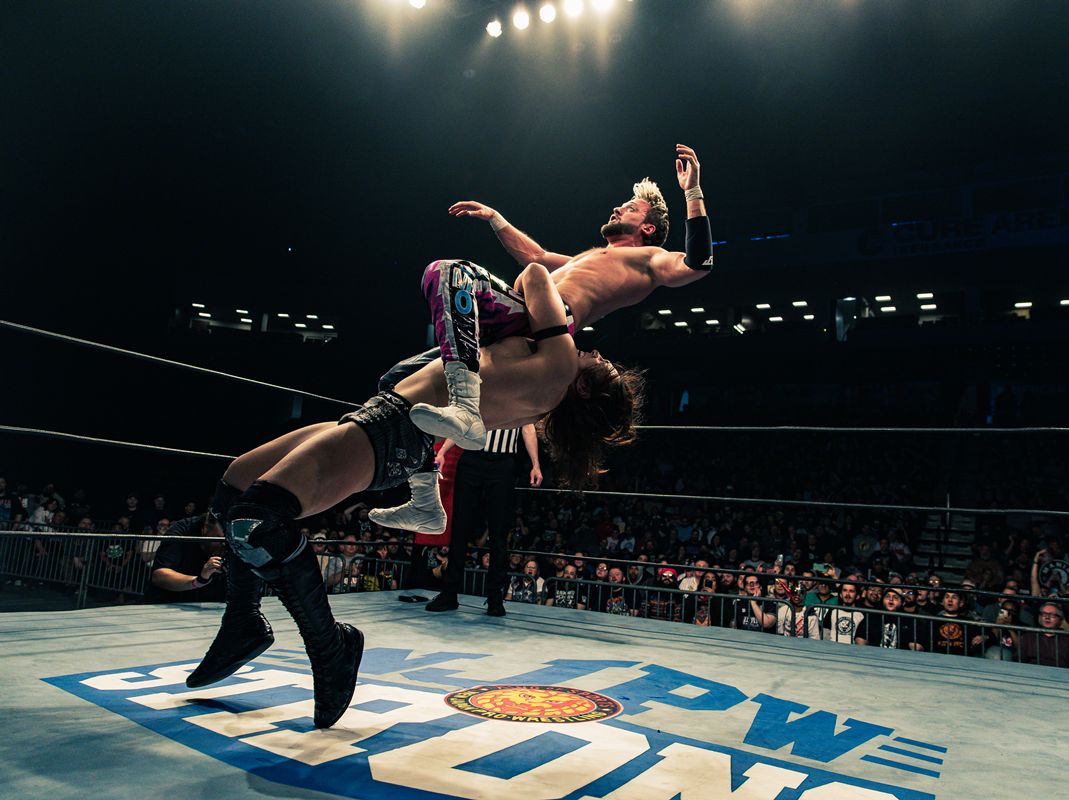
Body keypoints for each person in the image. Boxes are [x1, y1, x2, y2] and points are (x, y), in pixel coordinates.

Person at [186, 264, 643, 729]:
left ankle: (330, 646)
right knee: (235, 484)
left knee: (257, 518)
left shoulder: (559, 363)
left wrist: (536, 312)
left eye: (600, 363)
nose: (596, 351)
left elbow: (535, 273)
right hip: (391, 422)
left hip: (393, 430)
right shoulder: (541, 393)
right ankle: (241, 620)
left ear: (584, 387)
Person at [378, 143, 710, 456]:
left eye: (631, 208)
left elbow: (697, 264)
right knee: (397, 379)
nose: (618, 208)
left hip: (547, 320)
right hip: (522, 312)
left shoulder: (650, 258)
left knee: (451, 275)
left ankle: (464, 408)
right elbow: (535, 255)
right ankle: (421, 470)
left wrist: (692, 191)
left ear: (648, 229)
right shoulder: (591, 258)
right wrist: (496, 218)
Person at [415, 424, 542, 618]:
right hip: (472, 458)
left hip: (503, 464)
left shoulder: (520, 405)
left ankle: (495, 598)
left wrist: (536, 464)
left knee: (499, 533)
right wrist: (443, 451)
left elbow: (528, 429)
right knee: (460, 528)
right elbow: (463, 423)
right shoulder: (481, 401)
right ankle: (449, 593)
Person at [142, 514, 229, 604]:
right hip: (169, 602)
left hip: (210, 604)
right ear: (205, 528)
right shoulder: (182, 530)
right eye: (220, 539)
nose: (224, 545)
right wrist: (199, 581)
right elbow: (159, 575)